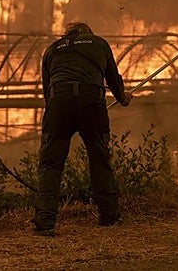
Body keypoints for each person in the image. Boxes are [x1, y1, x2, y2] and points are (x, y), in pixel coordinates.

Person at [32, 21, 132, 236]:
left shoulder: (52, 49)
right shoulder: (98, 43)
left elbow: (47, 91)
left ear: (67, 35)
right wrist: (123, 98)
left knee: (51, 163)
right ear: (89, 32)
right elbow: (113, 80)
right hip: (91, 101)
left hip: (59, 102)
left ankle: (45, 222)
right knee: (99, 157)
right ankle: (108, 217)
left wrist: (56, 117)